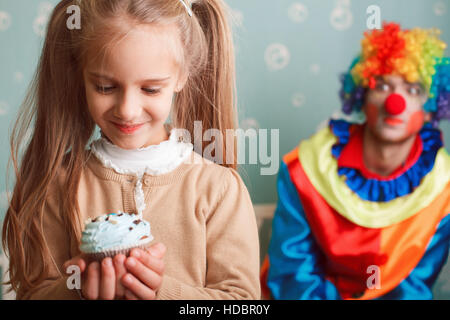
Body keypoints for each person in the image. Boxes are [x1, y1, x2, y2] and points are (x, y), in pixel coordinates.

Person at [2, 0, 260, 300]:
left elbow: (241, 303)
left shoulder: (218, 190)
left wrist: (160, 291)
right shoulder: (58, 186)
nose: (127, 110)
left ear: (182, 76)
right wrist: (76, 289)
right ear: (81, 75)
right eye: (104, 87)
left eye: (150, 89)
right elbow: (33, 294)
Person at [261, 22, 450, 300]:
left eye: (413, 89)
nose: (394, 102)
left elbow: (413, 288)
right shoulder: (307, 169)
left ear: (431, 107)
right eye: (382, 85)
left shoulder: (442, 188)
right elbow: (293, 277)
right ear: (362, 96)